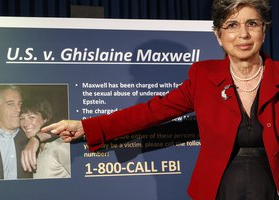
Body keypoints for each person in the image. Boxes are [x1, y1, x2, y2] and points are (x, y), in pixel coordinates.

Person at [21, 0, 279, 199]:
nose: (243, 34)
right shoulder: (204, 76)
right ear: (218, 36)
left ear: (264, 31)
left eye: (252, 23)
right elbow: (151, 111)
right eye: (232, 25)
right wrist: (86, 127)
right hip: (220, 185)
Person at [19, 97, 71, 179]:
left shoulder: (60, 145)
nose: (25, 124)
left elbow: (82, 180)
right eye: (22, 118)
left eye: (31, 117)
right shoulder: (38, 150)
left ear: (45, 119)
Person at [0, 85, 32, 180]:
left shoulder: (30, 135)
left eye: (20, 104)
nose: (19, 110)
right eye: (10, 104)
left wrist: (37, 139)